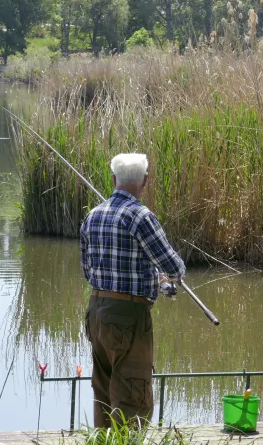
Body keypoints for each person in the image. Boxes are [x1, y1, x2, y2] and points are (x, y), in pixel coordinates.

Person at [80, 153, 186, 428]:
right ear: (145, 182)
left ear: (114, 179)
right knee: (132, 398)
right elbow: (173, 267)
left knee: (104, 392)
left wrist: (152, 276)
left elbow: (88, 271)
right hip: (128, 317)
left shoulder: (92, 216)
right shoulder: (141, 217)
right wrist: (169, 277)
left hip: (96, 313)